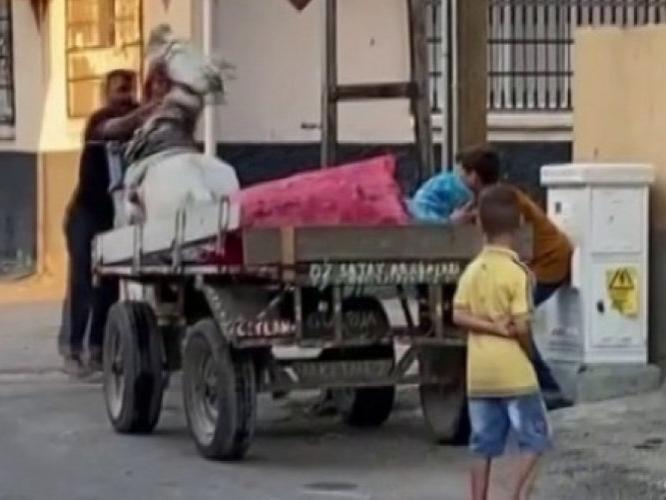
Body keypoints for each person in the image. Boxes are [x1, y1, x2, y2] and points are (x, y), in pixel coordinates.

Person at [411, 145, 573, 409]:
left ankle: (548, 388)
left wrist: (454, 224)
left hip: (546, 266)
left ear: (474, 176)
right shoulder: (493, 197)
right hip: (533, 264)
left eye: (463, 173)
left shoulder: (499, 200)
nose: (459, 178)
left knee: (512, 321)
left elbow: (501, 241)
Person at [453, 185, 551, 500]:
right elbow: (521, 326)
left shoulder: (472, 271)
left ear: (480, 225)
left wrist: (489, 327)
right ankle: (515, 494)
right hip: (515, 375)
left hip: (479, 375)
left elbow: (458, 315)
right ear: (520, 224)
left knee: (482, 445)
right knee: (536, 437)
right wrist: (525, 349)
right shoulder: (517, 273)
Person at [59, 69, 157, 377]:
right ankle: (73, 348)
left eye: (130, 89)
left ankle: (98, 348)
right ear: (106, 93)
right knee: (82, 280)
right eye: (120, 90)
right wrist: (151, 109)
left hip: (114, 215)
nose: (126, 96)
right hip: (85, 213)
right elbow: (115, 128)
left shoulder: (140, 123)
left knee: (110, 281)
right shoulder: (99, 121)